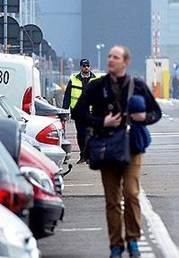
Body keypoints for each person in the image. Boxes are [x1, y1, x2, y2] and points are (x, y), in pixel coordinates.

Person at [73, 45, 161, 258]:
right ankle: (115, 245)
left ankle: (133, 241)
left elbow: (156, 111)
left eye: (116, 57)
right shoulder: (97, 86)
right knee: (112, 199)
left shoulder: (137, 85)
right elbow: (79, 112)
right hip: (107, 146)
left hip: (132, 147)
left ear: (125, 62)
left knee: (131, 193)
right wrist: (102, 121)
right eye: (109, 56)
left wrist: (144, 118)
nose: (111, 60)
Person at [62, 58, 98, 164]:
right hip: (78, 112)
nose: (86, 67)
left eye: (87, 65)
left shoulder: (95, 80)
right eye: (84, 66)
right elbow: (67, 96)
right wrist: (64, 110)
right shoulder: (73, 80)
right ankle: (83, 156)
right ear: (80, 67)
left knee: (90, 134)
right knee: (81, 135)